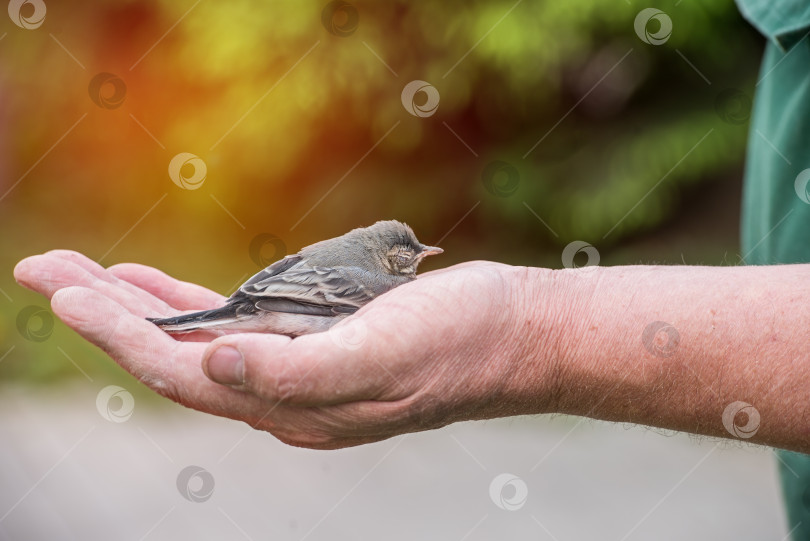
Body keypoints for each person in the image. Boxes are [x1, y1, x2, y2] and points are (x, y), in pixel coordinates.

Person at [12, 1, 810, 536]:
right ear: (391, 258)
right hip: (280, 305)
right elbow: (300, 296)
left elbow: (276, 284)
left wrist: (525, 329)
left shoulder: (364, 264)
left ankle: (204, 317)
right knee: (218, 318)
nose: (417, 262)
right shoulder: (375, 281)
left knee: (216, 315)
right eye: (410, 255)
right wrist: (244, 311)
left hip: (268, 294)